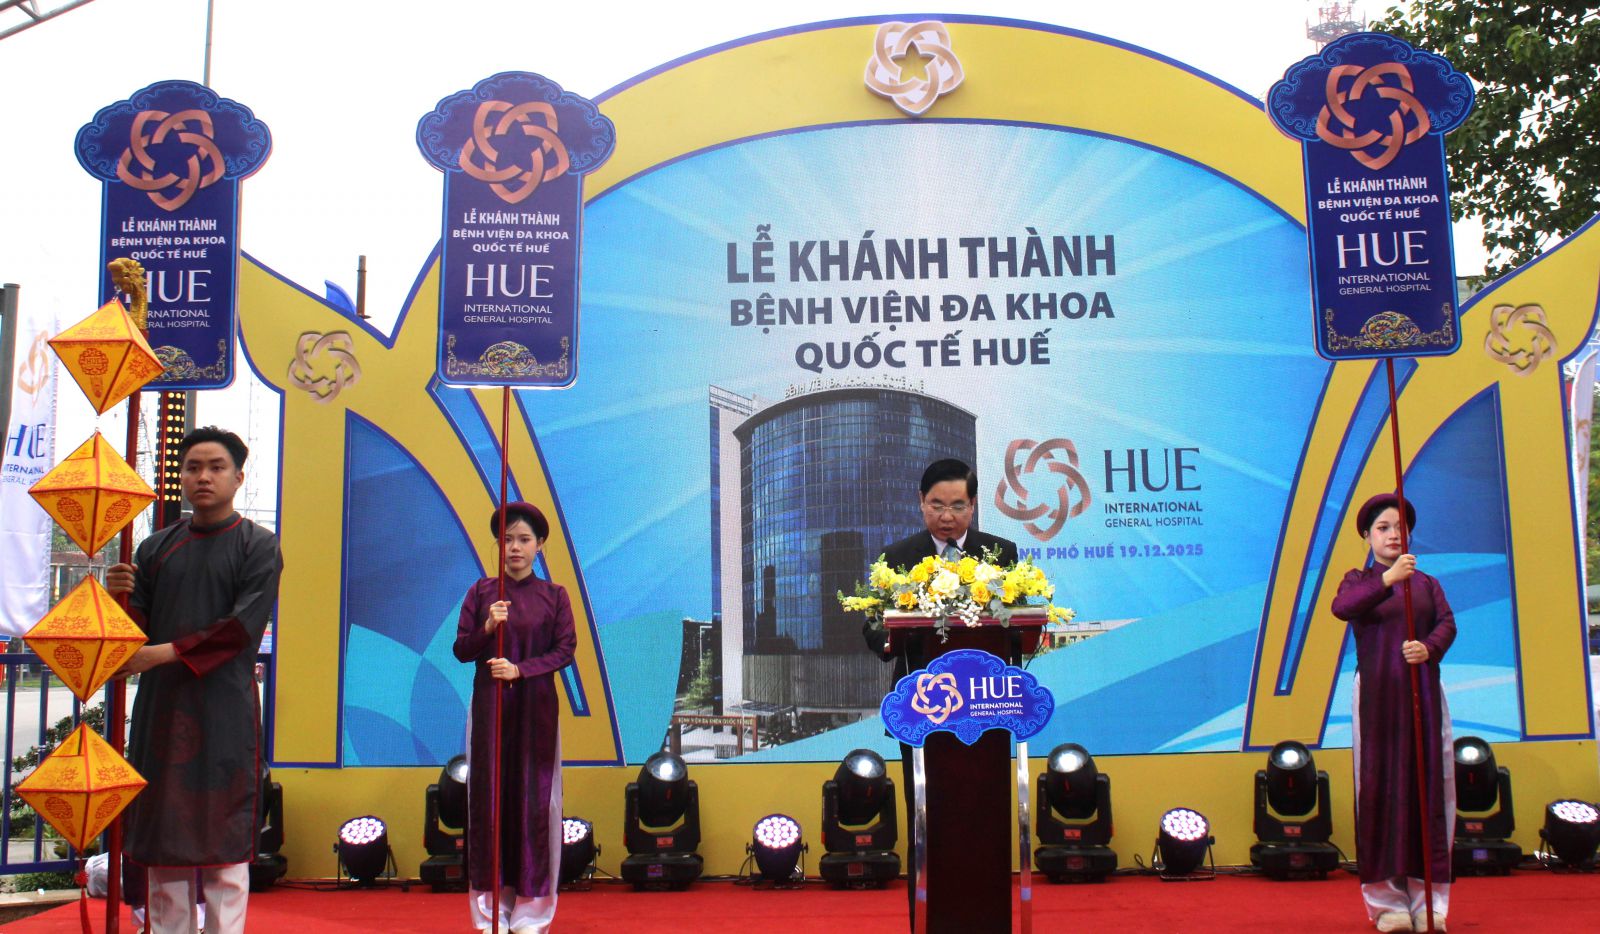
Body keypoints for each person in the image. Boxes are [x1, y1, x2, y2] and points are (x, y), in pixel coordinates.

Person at [104, 426, 282, 934]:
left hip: (224, 708)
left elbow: (239, 630)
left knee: (225, 837)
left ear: (238, 478)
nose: (203, 476)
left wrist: (161, 654)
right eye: (193, 468)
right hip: (163, 708)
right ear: (180, 477)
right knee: (166, 833)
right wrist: (116, 595)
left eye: (216, 467)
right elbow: (132, 632)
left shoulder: (258, 546)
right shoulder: (154, 549)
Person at [862, 458, 1018, 931]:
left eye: (957, 506)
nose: (947, 516)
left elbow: (1019, 626)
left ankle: (988, 920)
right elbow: (872, 629)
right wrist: (895, 635)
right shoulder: (898, 557)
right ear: (920, 503)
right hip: (922, 716)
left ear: (973, 505)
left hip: (987, 714)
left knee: (984, 821)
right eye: (936, 505)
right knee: (927, 824)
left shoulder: (1000, 555)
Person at [1331, 493, 1456, 933]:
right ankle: (1387, 904)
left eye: (1400, 527)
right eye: (1383, 528)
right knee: (1379, 789)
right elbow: (1342, 608)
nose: (1393, 535)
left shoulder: (1427, 584)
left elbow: (1447, 623)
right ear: (1367, 536)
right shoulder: (1358, 581)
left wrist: (1429, 647)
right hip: (1377, 698)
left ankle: (1429, 902)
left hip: (1424, 696)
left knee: (1430, 788)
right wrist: (1388, 579)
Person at [453, 502, 576, 933]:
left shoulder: (555, 596)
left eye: (524, 540)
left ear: (540, 544)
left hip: (536, 712)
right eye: (507, 540)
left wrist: (521, 670)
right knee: (490, 803)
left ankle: (531, 914)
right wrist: (487, 628)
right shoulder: (482, 593)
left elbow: (565, 650)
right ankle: (491, 915)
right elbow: (461, 650)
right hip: (491, 710)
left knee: (534, 804)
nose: (515, 548)